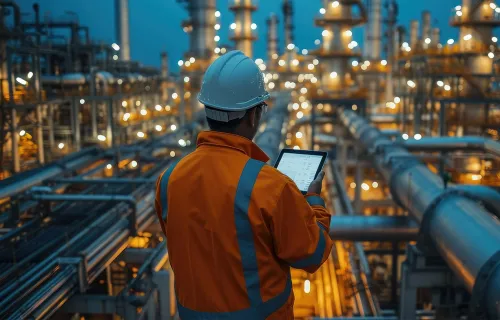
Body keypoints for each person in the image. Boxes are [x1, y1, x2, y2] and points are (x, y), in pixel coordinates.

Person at [155, 50, 333, 319]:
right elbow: (312, 254)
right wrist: (314, 203)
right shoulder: (270, 186)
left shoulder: (169, 179)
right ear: (253, 116)